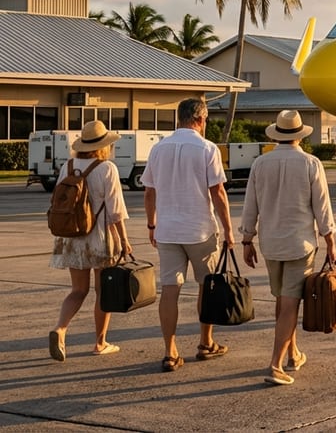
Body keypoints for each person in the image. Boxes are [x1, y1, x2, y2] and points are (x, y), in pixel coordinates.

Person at [240, 111, 336, 386]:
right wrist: (330, 240)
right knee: (291, 304)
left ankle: (293, 353)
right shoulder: (310, 163)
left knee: (283, 301)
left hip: (270, 243)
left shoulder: (260, 164)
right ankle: (275, 364)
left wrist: (247, 240)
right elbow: (322, 206)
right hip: (300, 243)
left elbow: (251, 205)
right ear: (300, 136)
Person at [143, 98, 234, 373]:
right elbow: (217, 192)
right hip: (199, 230)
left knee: (170, 290)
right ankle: (206, 343)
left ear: (179, 118)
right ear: (201, 119)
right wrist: (229, 229)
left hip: (168, 230)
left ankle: (170, 351)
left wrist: (151, 224)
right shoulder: (207, 148)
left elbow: (149, 191)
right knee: (207, 287)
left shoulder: (158, 148)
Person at [47, 120, 133, 361]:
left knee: (78, 290)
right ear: (105, 145)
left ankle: (60, 329)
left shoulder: (68, 165)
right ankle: (100, 342)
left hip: (72, 236)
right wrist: (124, 241)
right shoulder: (107, 168)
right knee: (103, 292)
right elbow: (116, 211)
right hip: (100, 237)